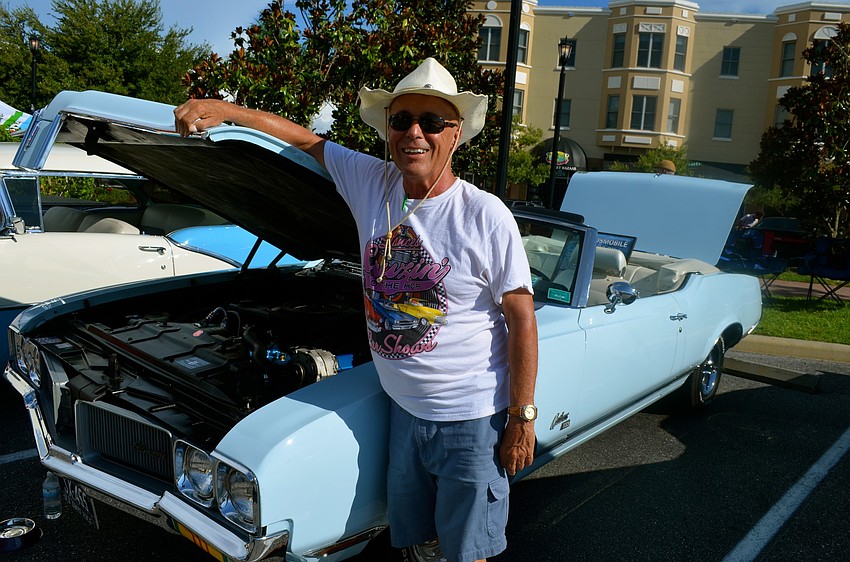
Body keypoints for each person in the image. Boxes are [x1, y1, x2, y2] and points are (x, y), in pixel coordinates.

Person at [174, 57, 539, 562]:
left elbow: (522, 317)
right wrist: (226, 111)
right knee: (417, 542)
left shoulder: (484, 214)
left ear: (455, 134)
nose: (415, 132)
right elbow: (306, 141)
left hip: (470, 418)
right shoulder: (374, 182)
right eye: (401, 119)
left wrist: (522, 417)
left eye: (431, 122)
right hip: (404, 412)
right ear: (388, 129)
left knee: (467, 551)